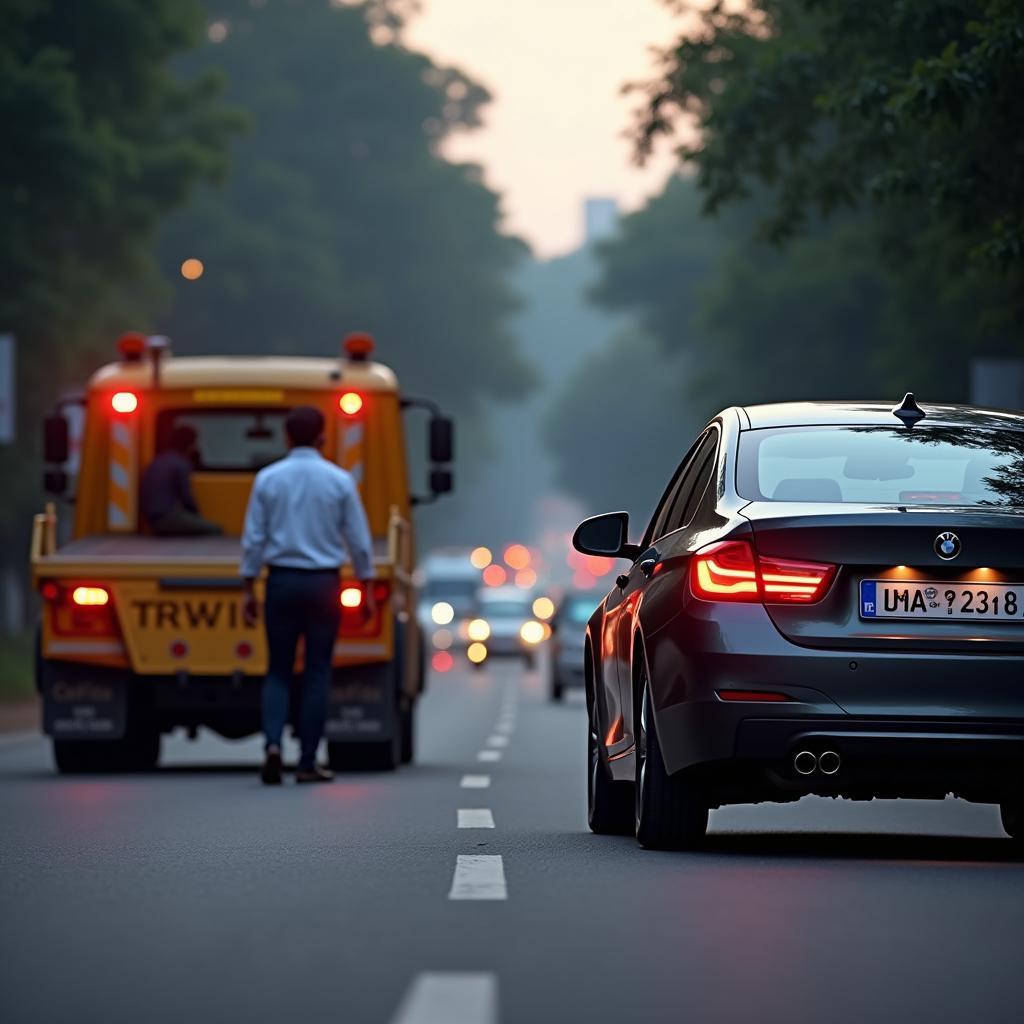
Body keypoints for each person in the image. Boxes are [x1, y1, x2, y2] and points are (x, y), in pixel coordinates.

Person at [241, 405, 376, 785]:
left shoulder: (268, 479)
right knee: (317, 671)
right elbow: (360, 541)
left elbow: (254, 538)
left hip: (281, 581)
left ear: (286, 437)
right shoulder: (339, 481)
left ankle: (271, 745)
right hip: (323, 585)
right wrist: (364, 585)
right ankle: (307, 761)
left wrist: (248, 585)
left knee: (278, 670)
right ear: (322, 437)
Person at [141, 425, 222, 536]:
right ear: (189, 444)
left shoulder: (158, 461)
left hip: (152, 520)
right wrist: (197, 518)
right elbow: (186, 497)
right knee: (215, 530)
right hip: (167, 519)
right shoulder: (181, 464)